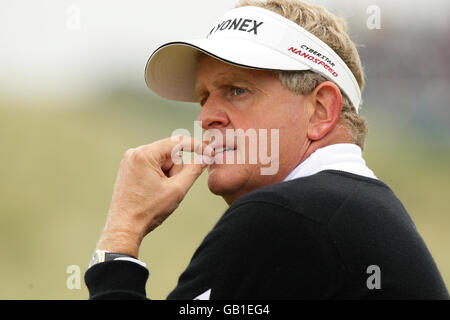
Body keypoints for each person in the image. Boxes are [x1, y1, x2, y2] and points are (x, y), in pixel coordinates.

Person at [84, 0, 449, 299]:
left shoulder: (284, 215)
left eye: (237, 90)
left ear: (321, 110)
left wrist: (121, 234)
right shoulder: (354, 213)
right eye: (203, 98)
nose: (208, 116)